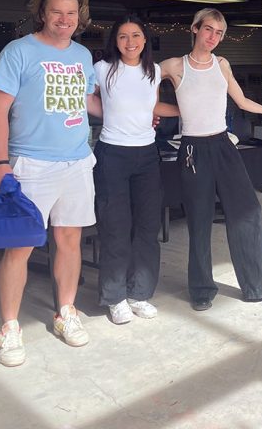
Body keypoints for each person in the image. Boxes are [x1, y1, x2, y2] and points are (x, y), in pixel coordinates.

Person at [0, 0, 99, 367]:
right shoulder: (18, 51)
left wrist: (133, 108)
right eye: (57, 12)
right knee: (20, 246)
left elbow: (85, 102)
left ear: (79, 18)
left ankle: (65, 311)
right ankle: (9, 326)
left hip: (77, 160)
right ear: (42, 13)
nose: (64, 20)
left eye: (71, 13)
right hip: (31, 163)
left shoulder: (83, 55)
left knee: (70, 240)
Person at [160, 8, 262, 311]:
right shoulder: (173, 66)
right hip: (193, 149)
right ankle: (201, 289)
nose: (213, 37)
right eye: (208, 30)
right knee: (199, 220)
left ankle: (259, 285)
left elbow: (241, 100)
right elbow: (141, 90)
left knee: (247, 213)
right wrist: (169, 111)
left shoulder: (222, 64)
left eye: (219, 33)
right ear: (194, 28)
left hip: (223, 145)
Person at [93, 16, 178, 325]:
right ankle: (114, 297)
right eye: (123, 36)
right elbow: (86, 97)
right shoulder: (102, 69)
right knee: (115, 227)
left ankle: (138, 293)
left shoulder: (153, 71)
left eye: (136, 35)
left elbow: (152, 107)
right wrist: (108, 114)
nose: (130, 42)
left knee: (146, 226)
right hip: (112, 154)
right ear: (115, 41)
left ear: (145, 39)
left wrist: (187, 110)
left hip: (146, 154)